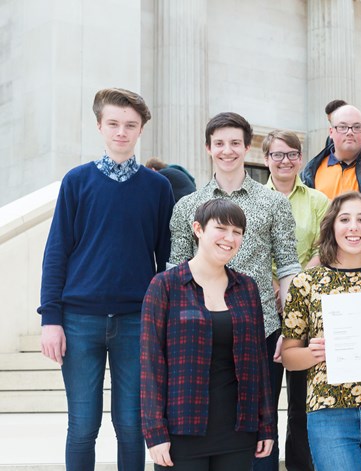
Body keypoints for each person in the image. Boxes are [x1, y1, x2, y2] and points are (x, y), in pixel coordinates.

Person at [38, 88, 174, 470]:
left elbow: (165, 258)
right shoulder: (77, 182)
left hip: (136, 320)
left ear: (140, 130)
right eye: (113, 123)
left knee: (131, 426)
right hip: (79, 321)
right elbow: (56, 253)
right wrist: (51, 319)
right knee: (82, 426)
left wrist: (164, 315)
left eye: (130, 125)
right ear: (100, 126)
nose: (121, 132)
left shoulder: (157, 187)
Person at [169, 112, 301, 471]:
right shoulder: (187, 207)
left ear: (247, 147)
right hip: (203, 330)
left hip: (262, 329)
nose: (227, 150)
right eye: (220, 144)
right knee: (212, 421)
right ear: (208, 148)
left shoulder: (274, 203)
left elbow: (288, 266)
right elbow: (175, 269)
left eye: (235, 143)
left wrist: (287, 327)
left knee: (262, 423)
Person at [281, 192, 361, 471]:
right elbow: (290, 357)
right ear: (331, 227)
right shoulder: (305, 284)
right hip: (329, 414)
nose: (353, 227)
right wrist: (313, 353)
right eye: (345, 219)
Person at [141, 199, 275, 471]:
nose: (230, 238)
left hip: (239, 429)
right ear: (198, 229)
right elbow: (150, 364)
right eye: (221, 228)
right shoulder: (166, 286)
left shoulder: (246, 287)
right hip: (183, 429)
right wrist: (154, 432)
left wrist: (266, 425)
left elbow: (259, 363)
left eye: (237, 232)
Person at [262, 130, 329, 470]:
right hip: (266, 312)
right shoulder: (255, 199)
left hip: (309, 314)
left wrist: (295, 284)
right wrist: (271, 280)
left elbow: (325, 247)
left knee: (303, 404)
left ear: (301, 158)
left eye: (291, 154)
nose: (285, 160)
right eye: (277, 154)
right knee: (265, 403)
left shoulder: (318, 201)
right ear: (266, 160)